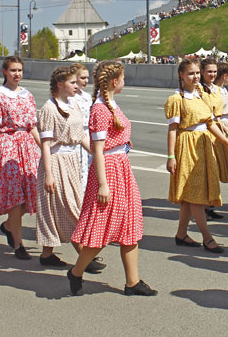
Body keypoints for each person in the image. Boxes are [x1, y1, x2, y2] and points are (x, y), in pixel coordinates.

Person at [67, 61, 156, 297]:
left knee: (130, 226)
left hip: (122, 169)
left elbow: (112, 137)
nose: (125, 82)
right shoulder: (99, 109)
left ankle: (132, 281)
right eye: (123, 78)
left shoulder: (111, 105)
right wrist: (103, 184)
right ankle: (76, 272)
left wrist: (124, 142)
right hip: (109, 171)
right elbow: (97, 149)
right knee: (100, 229)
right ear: (115, 81)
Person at [164, 58, 228, 254]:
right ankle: (207, 237)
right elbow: (172, 130)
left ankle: (181, 234)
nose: (195, 77)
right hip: (187, 146)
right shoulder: (177, 99)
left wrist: (226, 142)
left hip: (204, 145)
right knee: (196, 196)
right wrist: (171, 156)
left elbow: (210, 123)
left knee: (189, 195)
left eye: (196, 73)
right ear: (181, 75)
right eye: (190, 74)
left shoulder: (201, 95)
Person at [0, 56, 42, 260]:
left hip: (27, 146)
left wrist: (43, 149)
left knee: (29, 195)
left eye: (19, 70)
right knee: (15, 199)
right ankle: (19, 245)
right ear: (4, 71)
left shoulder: (28, 95)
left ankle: (9, 226)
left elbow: (32, 127)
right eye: (13, 70)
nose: (16, 74)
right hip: (8, 145)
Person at [36, 67, 92, 268]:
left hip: (72, 161)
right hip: (55, 161)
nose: (77, 86)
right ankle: (86, 257)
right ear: (60, 85)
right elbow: (45, 143)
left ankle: (46, 254)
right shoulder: (49, 109)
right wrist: (48, 174)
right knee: (70, 207)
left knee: (58, 208)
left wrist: (97, 152)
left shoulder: (73, 105)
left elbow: (81, 135)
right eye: (73, 83)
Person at [199, 58, 228, 218]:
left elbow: (217, 117)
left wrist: (227, 133)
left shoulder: (215, 89)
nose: (212, 74)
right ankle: (204, 206)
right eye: (209, 71)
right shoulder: (199, 89)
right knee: (208, 169)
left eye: (214, 71)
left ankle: (210, 204)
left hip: (218, 129)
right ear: (202, 72)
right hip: (205, 132)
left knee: (216, 169)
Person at [69, 63, 93, 196]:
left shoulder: (87, 96)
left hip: (87, 136)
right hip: (76, 138)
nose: (86, 81)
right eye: (82, 78)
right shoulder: (71, 97)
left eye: (87, 78)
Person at [215, 62, 228, 137]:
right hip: (220, 124)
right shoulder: (215, 91)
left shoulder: (223, 89)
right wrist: (227, 131)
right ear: (224, 76)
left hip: (225, 123)